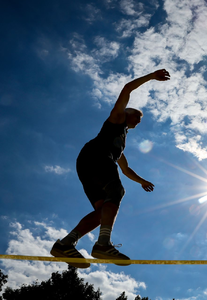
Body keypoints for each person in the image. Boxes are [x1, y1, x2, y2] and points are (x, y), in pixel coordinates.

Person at [50, 69, 170, 268]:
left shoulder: (118, 144)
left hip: (90, 166)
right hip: (96, 158)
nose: (138, 122)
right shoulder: (116, 118)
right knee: (116, 191)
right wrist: (151, 77)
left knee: (102, 212)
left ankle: (65, 244)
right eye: (137, 117)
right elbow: (127, 89)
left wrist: (143, 182)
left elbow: (125, 169)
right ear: (126, 113)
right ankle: (103, 244)